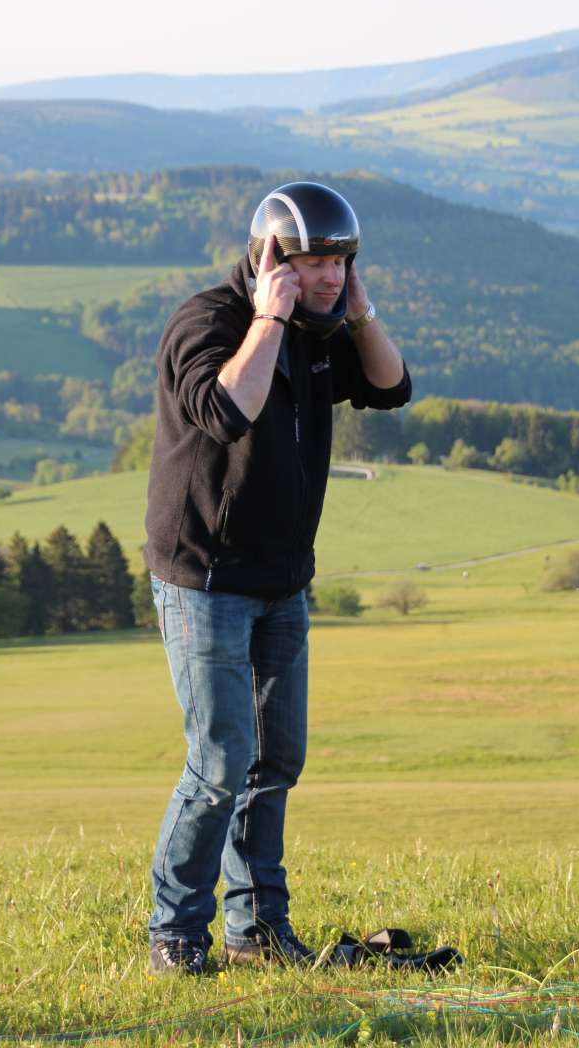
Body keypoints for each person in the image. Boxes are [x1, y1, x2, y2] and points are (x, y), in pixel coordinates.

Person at [143, 181, 411, 975]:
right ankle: (174, 933)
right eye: (314, 262)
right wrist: (267, 319)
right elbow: (227, 412)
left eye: (341, 261)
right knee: (221, 761)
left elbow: (391, 387)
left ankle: (257, 931)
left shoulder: (321, 329)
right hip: (206, 577)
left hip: (282, 582)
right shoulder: (208, 323)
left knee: (276, 759)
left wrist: (357, 313)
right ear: (272, 259)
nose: (330, 275)